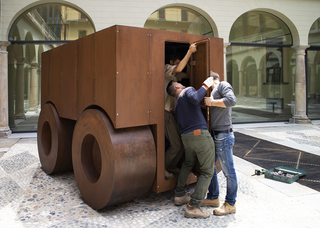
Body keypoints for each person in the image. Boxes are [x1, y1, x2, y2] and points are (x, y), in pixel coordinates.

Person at [166, 77, 215, 219]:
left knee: (188, 163)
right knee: (207, 171)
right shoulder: (187, 91)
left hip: (186, 138)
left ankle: (180, 195)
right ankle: (193, 206)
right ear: (176, 87)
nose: (181, 82)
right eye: (178, 83)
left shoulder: (177, 103)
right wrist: (206, 84)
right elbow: (195, 98)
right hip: (199, 135)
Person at [202, 71, 238, 216]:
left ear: (211, 79)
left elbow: (232, 101)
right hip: (217, 135)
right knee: (210, 167)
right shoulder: (215, 91)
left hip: (224, 136)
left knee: (229, 172)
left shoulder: (223, 85)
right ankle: (213, 197)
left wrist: (211, 102)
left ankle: (230, 203)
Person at [164, 43, 197, 179]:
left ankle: (172, 166)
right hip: (166, 113)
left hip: (174, 113)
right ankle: (163, 168)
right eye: (176, 63)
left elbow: (187, 73)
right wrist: (189, 52)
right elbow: (179, 68)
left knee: (182, 144)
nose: (178, 65)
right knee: (176, 145)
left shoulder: (175, 78)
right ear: (171, 63)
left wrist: (191, 62)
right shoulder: (166, 69)